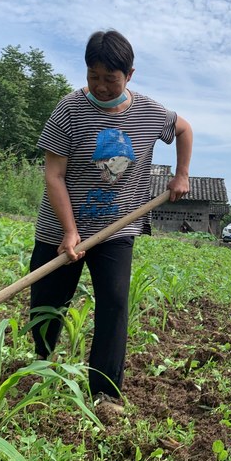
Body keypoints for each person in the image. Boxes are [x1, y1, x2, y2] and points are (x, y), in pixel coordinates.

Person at [29, 29, 193, 411]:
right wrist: (70, 232)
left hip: (116, 229)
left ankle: (105, 392)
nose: (101, 86)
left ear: (129, 75)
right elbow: (53, 175)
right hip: (61, 228)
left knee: (115, 305)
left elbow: (183, 129)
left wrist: (182, 173)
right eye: (93, 77)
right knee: (48, 303)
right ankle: (39, 367)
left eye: (110, 78)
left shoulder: (150, 112)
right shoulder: (68, 110)